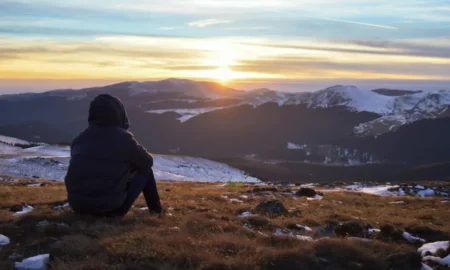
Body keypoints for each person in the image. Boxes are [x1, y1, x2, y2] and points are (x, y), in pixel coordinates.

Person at [65, 94, 162, 217]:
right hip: (110, 210)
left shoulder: (79, 139)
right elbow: (147, 161)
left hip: (78, 207)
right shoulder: (123, 138)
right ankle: (156, 212)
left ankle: (86, 204)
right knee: (146, 171)